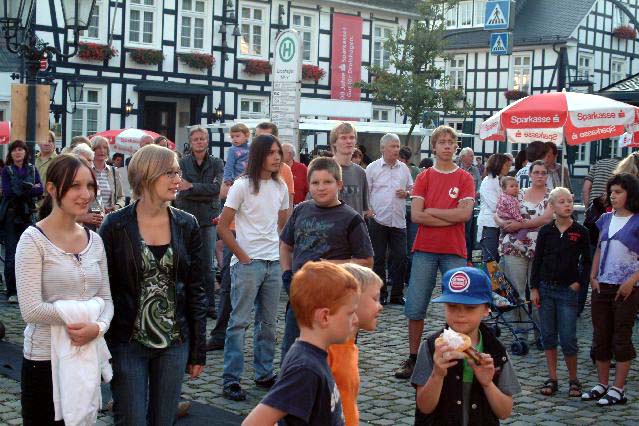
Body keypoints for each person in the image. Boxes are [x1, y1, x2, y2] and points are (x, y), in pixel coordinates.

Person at [99, 145, 207, 424]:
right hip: (127, 342)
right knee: (131, 419)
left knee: (164, 419)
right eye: (169, 173)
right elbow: (102, 288)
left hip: (174, 343)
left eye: (178, 173)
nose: (177, 179)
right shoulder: (115, 225)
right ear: (147, 175)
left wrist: (198, 349)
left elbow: (196, 289)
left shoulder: (187, 224)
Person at [15, 154, 112, 425]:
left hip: (85, 355)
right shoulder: (33, 241)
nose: (86, 194)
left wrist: (98, 327)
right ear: (52, 189)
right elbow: (31, 310)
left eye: (90, 186)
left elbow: (106, 298)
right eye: (75, 186)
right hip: (43, 359)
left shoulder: (95, 241)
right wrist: (85, 315)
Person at [395, 125, 475, 380]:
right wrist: (450, 215)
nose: (447, 146)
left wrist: (433, 212)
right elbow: (417, 216)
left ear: (456, 146)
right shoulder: (424, 177)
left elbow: (465, 215)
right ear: (434, 146)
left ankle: (455, 357)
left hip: (454, 249)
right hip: (425, 249)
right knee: (416, 305)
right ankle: (413, 358)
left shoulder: (465, 178)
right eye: (442, 142)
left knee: (459, 306)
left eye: (451, 141)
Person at [280, 156, 373, 361]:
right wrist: (286, 274)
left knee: (334, 360)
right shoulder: (300, 210)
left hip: (336, 300)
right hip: (301, 297)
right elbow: (285, 246)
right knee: (292, 354)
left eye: (327, 182)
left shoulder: (351, 218)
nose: (321, 188)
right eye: (315, 182)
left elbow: (366, 260)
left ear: (339, 184)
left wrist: (328, 266)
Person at [242, 261, 358, 426]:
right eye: (350, 313)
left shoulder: (314, 357)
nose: (356, 320)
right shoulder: (305, 368)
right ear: (324, 317)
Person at [219, 135, 289, 401]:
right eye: (271, 152)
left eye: (278, 152)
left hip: (273, 263)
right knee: (239, 323)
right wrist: (242, 256)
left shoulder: (281, 186)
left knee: (268, 323)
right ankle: (231, 379)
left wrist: (280, 256)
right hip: (248, 264)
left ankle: (264, 373)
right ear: (259, 154)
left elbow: (283, 226)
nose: (277, 157)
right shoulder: (242, 185)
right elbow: (222, 226)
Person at [412, 267, 521, 425]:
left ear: (486, 309)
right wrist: (437, 374)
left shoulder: (496, 351)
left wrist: (488, 384)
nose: (460, 314)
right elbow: (424, 407)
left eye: (470, 308)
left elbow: (504, 412)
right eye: (452, 306)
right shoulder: (432, 347)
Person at [581, 173, 639, 406]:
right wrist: (592, 276)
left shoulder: (637, 221)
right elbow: (599, 249)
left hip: (627, 289)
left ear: (630, 195)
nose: (613, 196)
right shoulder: (605, 218)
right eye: (611, 192)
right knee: (600, 336)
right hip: (602, 286)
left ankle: (618, 388)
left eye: (618, 192)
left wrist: (632, 281)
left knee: (621, 338)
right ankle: (602, 384)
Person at [530, 187, 591, 398]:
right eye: (562, 202)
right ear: (552, 206)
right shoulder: (546, 231)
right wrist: (534, 288)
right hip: (546, 289)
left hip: (567, 291)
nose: (567, 205)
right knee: (548, 335)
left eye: (569, 201)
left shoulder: (580, 231)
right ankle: (552, 377)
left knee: (567, 337)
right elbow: (537, 260)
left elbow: (587, 261)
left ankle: (574, 379)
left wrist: (579, 283)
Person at [497, 160, 553, 338]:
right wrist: (503, 223)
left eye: (543, 173)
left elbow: (546, 219)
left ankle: (540, 333)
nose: (539, 176)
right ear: (529, 174)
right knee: (517, 291)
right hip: (515, 247)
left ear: (547, 175)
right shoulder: (517, 193)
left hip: (541, 248)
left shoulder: (551, 195)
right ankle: (521, 332)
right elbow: (497, 212)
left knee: (538, 291)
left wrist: (519, 225)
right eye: (536, 172)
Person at [175, 126, 224, 320]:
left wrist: (192, 187)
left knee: (208, 266)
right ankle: (187, 303)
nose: (199, 142)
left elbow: (216, 189)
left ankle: (209, 305)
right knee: (186, 261)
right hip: (186, 217)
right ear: (190, 142)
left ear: (207, 141)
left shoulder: (216, 163)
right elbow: (181, 188)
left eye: (202, 138)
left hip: (208, 219)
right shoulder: (182, 163)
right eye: (195, 139)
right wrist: (202, 190)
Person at [328, 263, 383, 426]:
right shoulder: (326, 350)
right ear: (352, 300)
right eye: (375, 299)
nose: (380, 306)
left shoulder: (350, 346)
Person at [366, 133, 413, 305]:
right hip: (378, 220)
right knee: (378, 259)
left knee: (401, 257)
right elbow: (366, 192)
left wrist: (406, 193)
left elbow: (413, 189)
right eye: (393, 146)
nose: (396, 149)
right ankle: (381, 294)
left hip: (398, 221)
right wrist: (368, 210)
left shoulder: (404, 168)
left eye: (397, 146)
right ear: (382, 148)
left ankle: (397, 295)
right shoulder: (372, 168)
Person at [0, 140, 43, 303]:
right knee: (11, 254)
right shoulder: (6, 170)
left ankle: (27, 289)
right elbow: (8, 193)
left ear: (25, 152)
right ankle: (12, 290)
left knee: (29, 253)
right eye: (14, 150)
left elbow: (41, 190)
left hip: (28, 215)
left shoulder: (32, 168)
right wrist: (29, 188)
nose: (17, 153)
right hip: (11, 216)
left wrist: (21, 188)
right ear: (10, 154)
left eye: (20, 149)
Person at [329, 122, 370, 217]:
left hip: (355, 225)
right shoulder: (324, 169)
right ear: (334, 142)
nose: (348, 141)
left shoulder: (360, 173)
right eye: (343, 138)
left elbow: (363, 209)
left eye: (352, 137)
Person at [254, 122, 295, 216]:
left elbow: (288, 204)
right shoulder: (245, 164)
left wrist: (286, 224)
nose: (260, 142)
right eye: (257, 138)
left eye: (265, 139)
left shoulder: (284, 170)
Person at [477, 153, 512, 262]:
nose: (509, 167)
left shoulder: (500, 180)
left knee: (497, 260)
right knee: (489, 260)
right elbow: (495, 205)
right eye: (506, 165)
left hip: (499, 225)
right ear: (498, 165)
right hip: (489, 225)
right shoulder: (488, 181)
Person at [399, 146, 421, 284]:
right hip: (401, 211)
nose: (400, 161)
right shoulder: (397, 169)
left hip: (411, 210)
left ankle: (409, 276)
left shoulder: (415, 171)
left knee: (411, 245)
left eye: (402, 159)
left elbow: (417, 190)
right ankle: (401, 275)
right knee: (402, 246)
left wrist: (407, 193)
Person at [91, 136, 125, 213]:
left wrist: (116, 207)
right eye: (98, 147)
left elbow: (121, 197)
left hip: (110, 217)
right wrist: (98, 210)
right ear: (92, 150)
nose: (102, 150)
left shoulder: (114, 171)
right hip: (93, 217)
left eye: (105, 147)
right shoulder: (87, 170)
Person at [496, 176, 531, 245]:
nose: (515, 188)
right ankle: (518, 241)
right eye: (512, 186)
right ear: (504, 189)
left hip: (503, 219)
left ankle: (511, 239)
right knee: (525, 229)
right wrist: (521, 220)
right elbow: (514, 211)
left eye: (516, 186)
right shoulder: (510, 200)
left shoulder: (502, 196)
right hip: (509, 219)